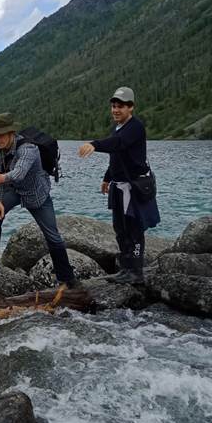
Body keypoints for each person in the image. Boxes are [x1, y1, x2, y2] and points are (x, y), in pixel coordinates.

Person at [0, 112, 76, 287]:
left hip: (36, 192)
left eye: (1, 134)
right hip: (12, 189)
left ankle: (67, 278)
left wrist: (0, 179)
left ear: (11, 133)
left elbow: (19, 172)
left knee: (53, 237)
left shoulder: (29, 148)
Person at [78, 86, 160, 284]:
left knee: (134, 229)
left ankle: (137, 271)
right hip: (119, 184)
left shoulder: (135, 127)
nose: (115, 110)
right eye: (113, 106)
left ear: (131, 107)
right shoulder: (117, 128)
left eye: (120, 106)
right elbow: (116, 155)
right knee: (120, 228)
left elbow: (118, 143)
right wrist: (107, 178)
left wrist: (95, 144)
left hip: (133, 187)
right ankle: (125, 268)